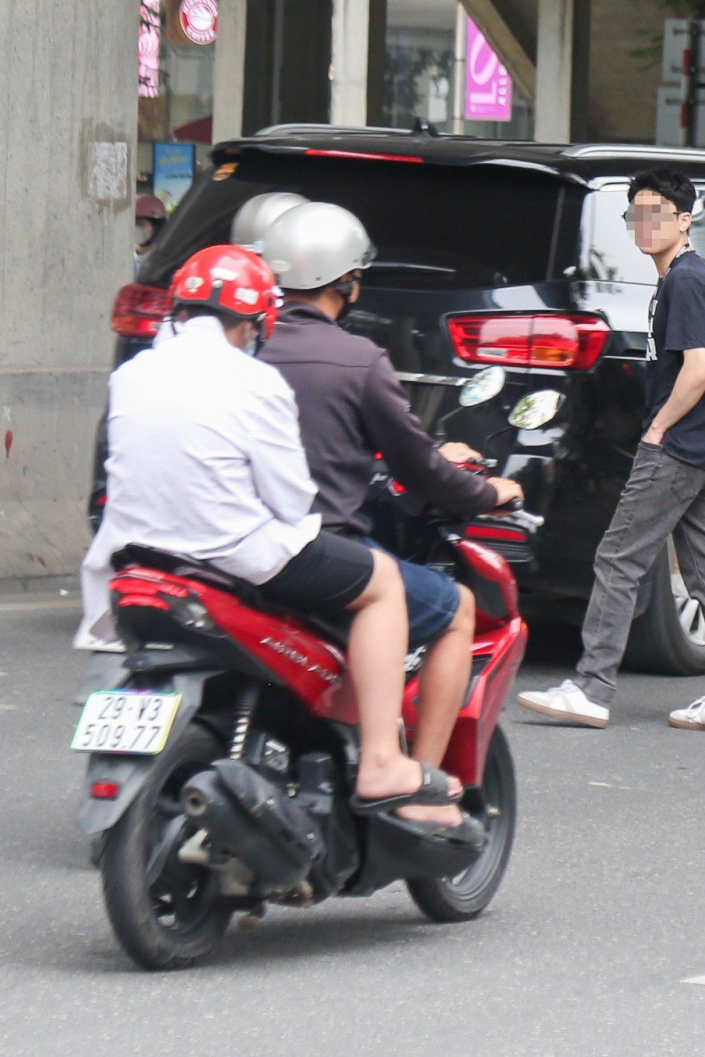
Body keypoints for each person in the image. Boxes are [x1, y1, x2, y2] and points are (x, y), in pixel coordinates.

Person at [74, 245, 468, 833]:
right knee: (383, 584)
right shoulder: (259, 381)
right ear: (256, 320)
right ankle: (384, 762)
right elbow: (290, 501)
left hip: (132, 559)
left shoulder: (132, 375)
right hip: (239, 558)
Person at [258, 202, 523, 829]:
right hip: (317, 555)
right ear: (347, 282)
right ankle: (418, 786)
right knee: (455, 608)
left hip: (224, 548)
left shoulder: (248, 351)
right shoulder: (357, 359)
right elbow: (419, 470)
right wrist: (490, 493)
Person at [517, 167, 705, 734]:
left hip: (677, 448)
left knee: (618, 559)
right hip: (702, 448)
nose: (645, 226)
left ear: (683, 220)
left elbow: (700, 368)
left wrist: (658, 429)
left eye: (657, 214)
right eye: (635, 215)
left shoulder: (686, 281)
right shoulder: (681, 279)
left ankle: (592, 689)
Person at [131, 194, 166, 278]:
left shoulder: (165, 262)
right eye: (132, 223)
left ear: (157, 226)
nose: (135, 227)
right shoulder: (124, 258)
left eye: (139, 223)